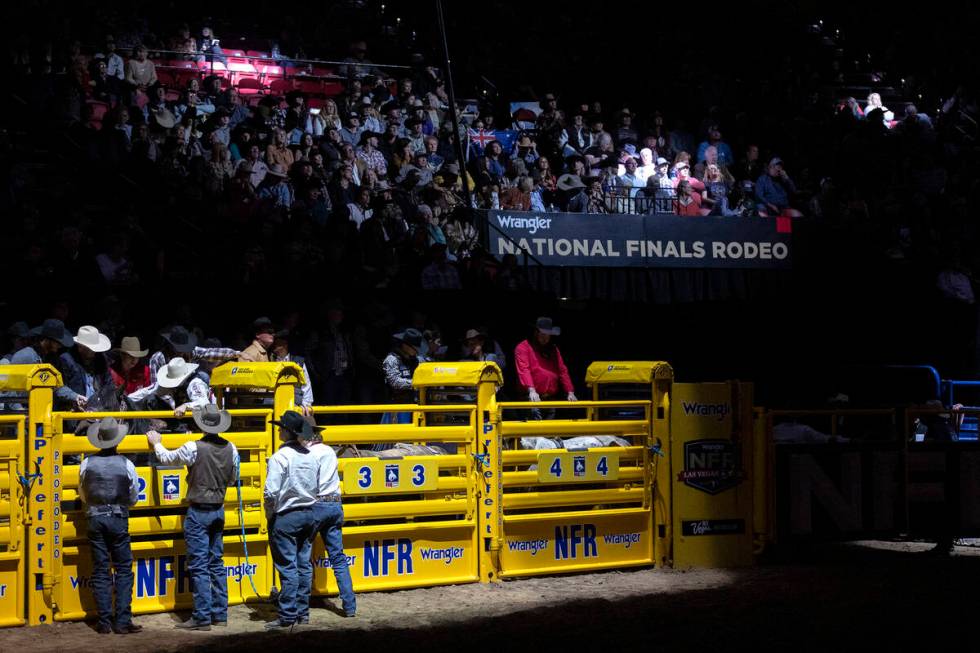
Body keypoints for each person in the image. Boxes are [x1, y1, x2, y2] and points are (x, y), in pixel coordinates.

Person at [147, 405, 239, 630]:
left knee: (199, 565)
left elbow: (168, 459)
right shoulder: (232, 448)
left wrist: (156, 442)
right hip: (218, 509)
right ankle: (219, 614)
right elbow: (233, 477)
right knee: (216, 562)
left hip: (199, 511)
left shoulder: (193, 447)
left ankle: (202, 616)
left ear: (201, 425)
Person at [79, 417, 141, 634]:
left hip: (94, 518)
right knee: (123, 568)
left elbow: (83, 493)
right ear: (117, 441)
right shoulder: (127, 464)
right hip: (117, 518)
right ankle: (123, 620)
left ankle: (104, 621)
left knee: (100, 569)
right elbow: (133, 496)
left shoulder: (86, 463)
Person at [264, 411, 321, 630]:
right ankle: (301, 613)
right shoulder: (310, 455)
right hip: (308, 513)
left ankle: (287, 615)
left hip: (287, 516)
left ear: (287, 431)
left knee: (288, 567)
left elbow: (270, 492)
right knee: (303, 566)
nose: (278, 430)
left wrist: (271, 514)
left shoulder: (280, 457)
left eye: (280, 427)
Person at [299, 414, 356, 619]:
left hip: (316, 504)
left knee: (303, 557)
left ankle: (301, 609)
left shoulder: (307, 454)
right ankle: (349, 606)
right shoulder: (330, 452)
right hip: (334, 504)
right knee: (338, 557)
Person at [514, 317, 577, 420]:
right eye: (543, 334)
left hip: (549, 399)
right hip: (532, 398)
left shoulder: (553, 349)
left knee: (549, 433)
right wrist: (531, 390)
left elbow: (562, 370)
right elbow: (524, 370)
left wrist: (570, 391)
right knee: (535, 433)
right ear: (536, 333)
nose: (545, 338)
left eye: (548, 335)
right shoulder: (523, 347)